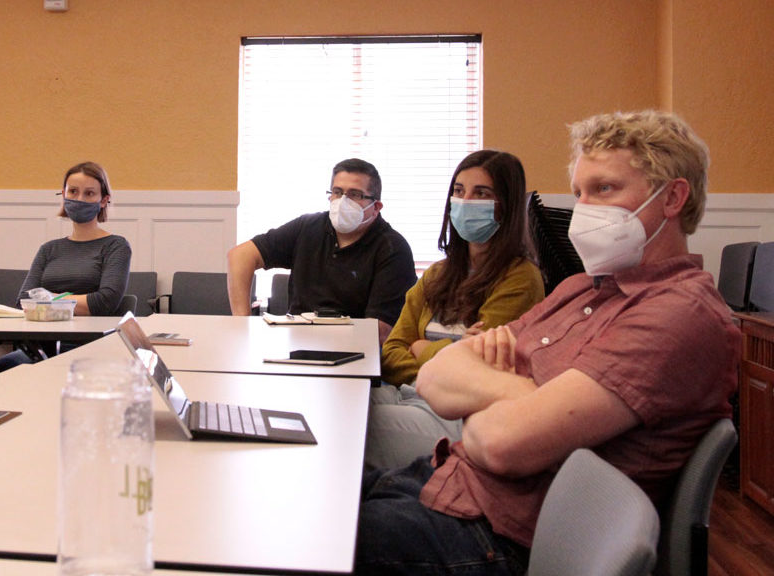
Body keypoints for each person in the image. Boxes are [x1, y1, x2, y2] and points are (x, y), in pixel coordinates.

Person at [354, 110, 740, 575]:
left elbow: (500, 443)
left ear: (673, 197)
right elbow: (438, 373)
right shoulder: (580, 288)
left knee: (296, 539)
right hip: (447, 480)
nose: (584, 209)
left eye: (605, 189)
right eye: (580, 192)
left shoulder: (679, 314)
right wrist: (526, 397)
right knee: (301, 493)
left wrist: (489, 398)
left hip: (498, 534)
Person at [366, 150, 544, 469]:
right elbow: (391, 351)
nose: (465, 201)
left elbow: (478, 369)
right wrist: (448, 355)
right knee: (335, 403)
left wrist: (421, 347)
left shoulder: (520, 278)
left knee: (353, 431)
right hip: (408, 392)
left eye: (481, 193)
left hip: (459, 418)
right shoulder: (437, 274)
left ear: (507, 205)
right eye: (459, 191)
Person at [226, 158, 416, 345]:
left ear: (376, 207)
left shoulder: (393, 249)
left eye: (355, 195)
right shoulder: (308, 227)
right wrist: (242, 323)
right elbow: (240, 256)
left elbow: (379, 332)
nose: (343, 201)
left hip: (356, 355)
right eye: (337, 192)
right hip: (296, 347)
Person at [0, 161, 131, 380]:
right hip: (40, 348)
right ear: (63, 195)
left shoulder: (116, 246)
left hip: (90, 348)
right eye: (73, 192)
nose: (79, 199)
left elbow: (105, 301)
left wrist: (49, 299)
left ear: (104, 200)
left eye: (89, 193)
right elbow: (23, 300)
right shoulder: (49, 249)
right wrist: (69, 303)